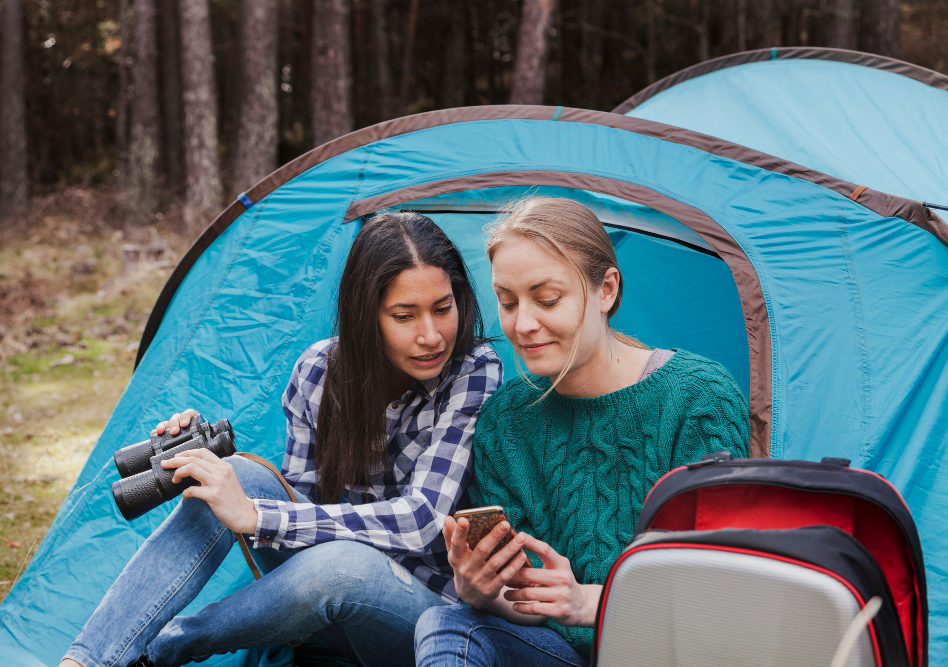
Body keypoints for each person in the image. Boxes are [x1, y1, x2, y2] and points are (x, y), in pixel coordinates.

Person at [59, 212, 502, 667]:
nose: (431, 335)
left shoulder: (473, 371)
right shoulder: (318, 372)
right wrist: (207, 464)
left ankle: (162, 651)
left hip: (416, 617)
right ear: (365, 316)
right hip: (316, 604)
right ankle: (88, 662)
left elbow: (420, 520)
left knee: (341, 565)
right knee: (234, 474)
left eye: (443, 308)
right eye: (404, 316)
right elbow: (303, 511)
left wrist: (257, 516)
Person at [414, 197, 750, 667]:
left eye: (547, 299)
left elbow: (723, 588)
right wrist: (484, 591)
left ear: (606, 290)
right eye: (508, 303)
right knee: (447, 622)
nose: (523, 324)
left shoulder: (697, 398)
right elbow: (530, 599)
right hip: (558, 655)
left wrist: (593, 601)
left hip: (671, 651)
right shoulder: (507, 420)